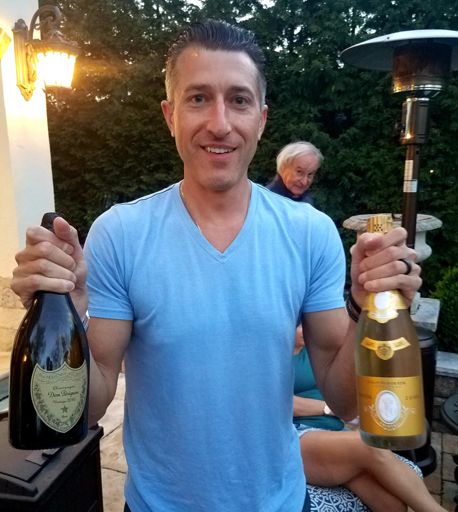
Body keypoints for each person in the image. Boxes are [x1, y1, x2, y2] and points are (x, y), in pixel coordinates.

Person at [11, 19, 422, 512]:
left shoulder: (309, 233)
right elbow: (92, 405)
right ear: (170, 115)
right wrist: (70, 315)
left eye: (239, 100)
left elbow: (346, 400)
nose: (220, 123)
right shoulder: (121, 233)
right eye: (199, 98)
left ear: (261, 120)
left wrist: (365, 307)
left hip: (280, 503)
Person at [293, 327, 445, 512]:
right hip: (294, 435)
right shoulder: (274, 356)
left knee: (391, 504)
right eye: (299, 323)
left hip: (332, 434)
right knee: (368, 444)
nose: (305, 328)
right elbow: (283, 404)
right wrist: (331, 409)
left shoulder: (318, 349)